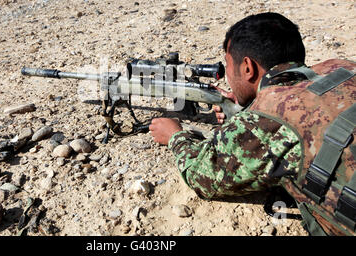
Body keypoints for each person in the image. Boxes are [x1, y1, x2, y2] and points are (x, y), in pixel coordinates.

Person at [149, 12, 355, 235]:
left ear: (247, 67)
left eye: (227, 65)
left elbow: (203, 177)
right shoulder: (341, 66)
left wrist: (175, 136)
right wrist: (251, 106)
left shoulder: (265, 118)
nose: (226, 74)